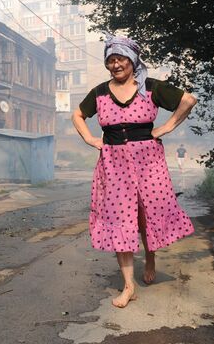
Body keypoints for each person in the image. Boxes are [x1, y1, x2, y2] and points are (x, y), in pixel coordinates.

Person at [71, 33, 197, 308]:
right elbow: (77, 115)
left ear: (132, 59)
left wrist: (165, 127)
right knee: (119, 219)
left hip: (148, 159)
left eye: (121, 59)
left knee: (146, 213)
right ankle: (129, 286)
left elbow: (188, 100)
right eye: (111, 60)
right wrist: (91, 139)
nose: (116, 65)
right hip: (113, 162)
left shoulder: (150, 87)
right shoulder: (100, 92)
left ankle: (150, 256)